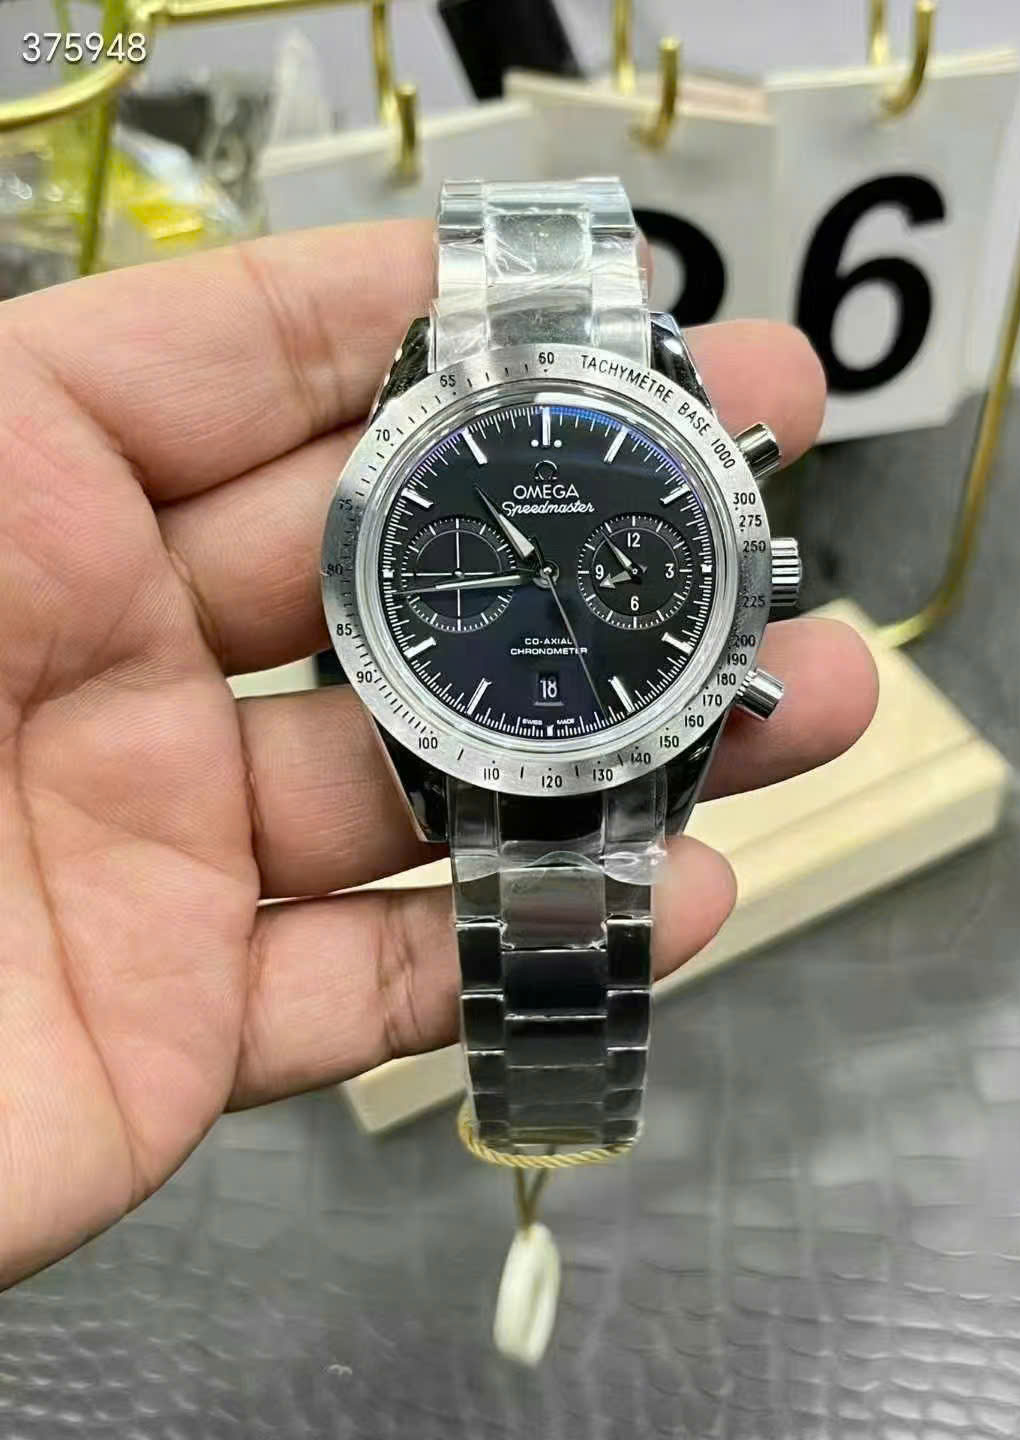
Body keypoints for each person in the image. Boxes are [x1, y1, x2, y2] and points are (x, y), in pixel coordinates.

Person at [0, 220, 878, 1290]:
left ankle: (556, 1117)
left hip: (584, 735)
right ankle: (550, 1118)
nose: (548, 577)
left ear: (753, 568)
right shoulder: (418, 510)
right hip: (484, 741)